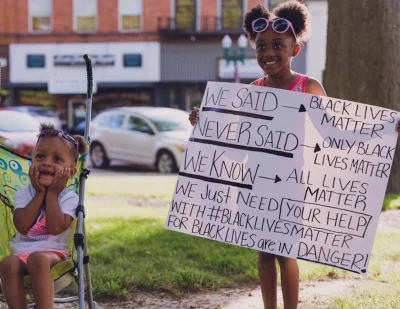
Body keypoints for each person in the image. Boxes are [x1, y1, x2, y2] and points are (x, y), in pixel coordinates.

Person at [189, 1, 400, 309]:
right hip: (256, 186)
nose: (268, 53)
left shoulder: (308, 87)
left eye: (277, 46)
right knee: (263, 253)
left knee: (285, 252)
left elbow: (334, 136)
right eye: (261, 47)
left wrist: (384, 128)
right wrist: (204, 126)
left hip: (291, 186)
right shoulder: (253, 91)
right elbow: (238, 151)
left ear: (295, 51)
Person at [0, 123, 87, 309]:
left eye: (57, 159)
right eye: (40, 156)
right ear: (32, 162)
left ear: (71, 171)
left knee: (38, 258)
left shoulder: (69, 198)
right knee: (7, 263)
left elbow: (56, 227)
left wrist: (52, 194)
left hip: (54, 253)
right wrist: (40, 194)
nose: (47, 162)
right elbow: (22, 226)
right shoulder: (24, 193)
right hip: (22, 252)